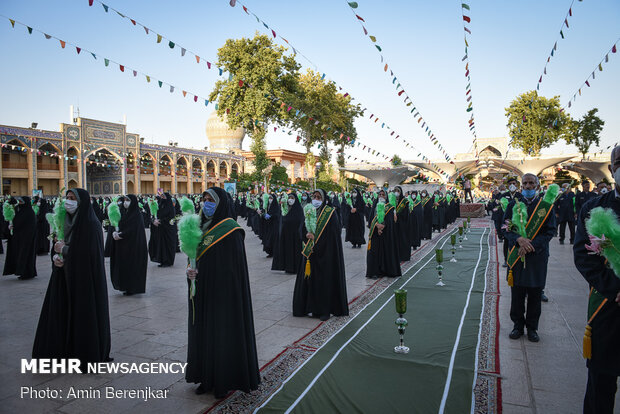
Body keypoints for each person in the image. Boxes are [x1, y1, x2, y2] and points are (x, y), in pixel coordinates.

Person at [185, 188, 260, 398]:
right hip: (202, 293)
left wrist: (209, 273)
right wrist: (189, 271)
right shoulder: (199, 227)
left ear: (221, 203)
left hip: (223, 295)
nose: (206, 204)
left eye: (211, 200)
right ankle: (204, 377)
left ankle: (223, 380)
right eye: (204, 200)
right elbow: (194, 257)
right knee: (203, 333)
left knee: (221, 336)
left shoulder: (230, 230)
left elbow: (233, 270)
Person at [33, 188, 111, 367]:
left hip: (84, 281)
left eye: (72, 198)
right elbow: (59, 244)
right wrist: (56, 257)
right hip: (65, 276)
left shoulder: (91, 224)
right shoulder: (64, 222)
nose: (68, 201)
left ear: (81, 202)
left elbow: (89, 255)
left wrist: (64, 250)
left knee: (82, 315)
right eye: (67, 198)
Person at [573, 147, 620, 414]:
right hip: (607, 306)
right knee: (601, 385)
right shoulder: (594, 208)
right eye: (619, 162)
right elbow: (583, 256)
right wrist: (614, 288)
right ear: (611, 169)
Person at [504, 174, 555, 343]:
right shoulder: (513, 204)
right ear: (521, 186)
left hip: (537, 256)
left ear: (538, 186)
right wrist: (518, 240)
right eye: (525, 183)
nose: (527, 186)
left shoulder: (546, 207)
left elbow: (550, 231)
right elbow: (505, 228)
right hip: (517, 255)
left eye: (531, 183)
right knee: (517, 292)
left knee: (534, 293)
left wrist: (531, 245)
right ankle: (517, 325)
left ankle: (532, 328)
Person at [293, 189, 348, 321]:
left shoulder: (330, 213)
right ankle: (307, 307)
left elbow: (333, 235)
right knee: (308, 280)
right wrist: (306, 236)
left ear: (324, 200)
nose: (316, 200)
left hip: (325, 255)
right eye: (314, 197)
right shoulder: (308, 210)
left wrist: (317, 242)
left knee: (323, 283)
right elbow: (301, 228)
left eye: (319, 197)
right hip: (309, 254)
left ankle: (323, 310)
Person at [110, 195, 148, 295]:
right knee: (124, 268)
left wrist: (122, 234)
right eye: (125, 200)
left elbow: (133, 231)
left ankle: (132, 288)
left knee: (132, 267)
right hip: (124, 247)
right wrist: (115, 231)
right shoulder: (124, 213)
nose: (125, 202)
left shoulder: (137, 215)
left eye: (128, 200)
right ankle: (125, 286)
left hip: (133, 247)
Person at [366, 189, 402, 279]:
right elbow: (370, 220)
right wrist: (377, 225)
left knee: (385, 252)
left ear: (386, 197)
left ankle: (386, 270)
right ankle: (374, 272)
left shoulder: (389, 207)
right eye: (380, 195)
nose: (381, 196)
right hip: (375, 234)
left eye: (383, 195)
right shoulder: (374, 206)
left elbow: (390, 221)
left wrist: (382, 226)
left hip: (386, 234)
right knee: (374, 253)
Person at [3, 196, 37, 280]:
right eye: (19, 202)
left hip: (27, 239)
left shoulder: (30, 213)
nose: (20, 204)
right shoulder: (19, 210)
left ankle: (27, 273)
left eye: (22, 202)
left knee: (26, 255)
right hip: (19, 238)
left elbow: (31, 227)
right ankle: (20, 271)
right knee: (19, 255)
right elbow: (15, 220)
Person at [271, 192, 304, 274]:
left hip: (295, 236)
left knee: (295, 252)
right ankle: (288, 267)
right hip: (286, 235)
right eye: (289, 198)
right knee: (287, 251)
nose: (290, 200)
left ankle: (296, 268)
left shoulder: (299, 210)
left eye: (292, 198)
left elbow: (300, 222)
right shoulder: (285, 209)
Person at [150, 192, 176, 267]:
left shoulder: (171, 207)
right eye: (161, 197)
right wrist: (154, 220)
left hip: (168, 231)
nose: (162, 198)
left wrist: (161, 221)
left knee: (167, 246)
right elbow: (156, 214)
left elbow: (170, 218)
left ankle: (168, 261)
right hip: (161, 230)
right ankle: (162, 260)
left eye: (164, 197)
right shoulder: (160, 206)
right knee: (161, 246)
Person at [393, 186, 410, 261]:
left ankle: (402, 256)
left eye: (398, 191)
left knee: (402, 240)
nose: (396, 193)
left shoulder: (404, 201)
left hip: (402, 224)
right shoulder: (392, 200)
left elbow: (406, 214)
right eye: (395, 191)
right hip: (394, 224)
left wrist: (398, 216)